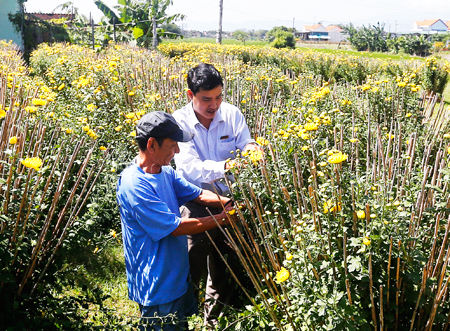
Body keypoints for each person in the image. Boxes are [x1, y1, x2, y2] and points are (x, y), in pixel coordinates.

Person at [116, 111, 236, 331]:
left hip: (175, 277)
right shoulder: (134, 184)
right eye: (172, 145)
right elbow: (175, 227)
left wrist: (230, 203)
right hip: (157, 285)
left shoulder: (164, 172)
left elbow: (197, 194)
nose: (178, 150)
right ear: (152, 145)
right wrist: (222, 219)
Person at [173, 63, 263, 322]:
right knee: (191, 263)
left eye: (219, 97)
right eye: (206, 99)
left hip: (229, 199)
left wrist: (252, 149)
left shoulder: (232, 114)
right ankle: (179, 318)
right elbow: (189, 169)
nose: (214, 105)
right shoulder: (180, 121)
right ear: (190, 96)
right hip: (195, 200)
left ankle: (213, 321)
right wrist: (228, 166)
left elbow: (246, 142)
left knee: (226, 263)